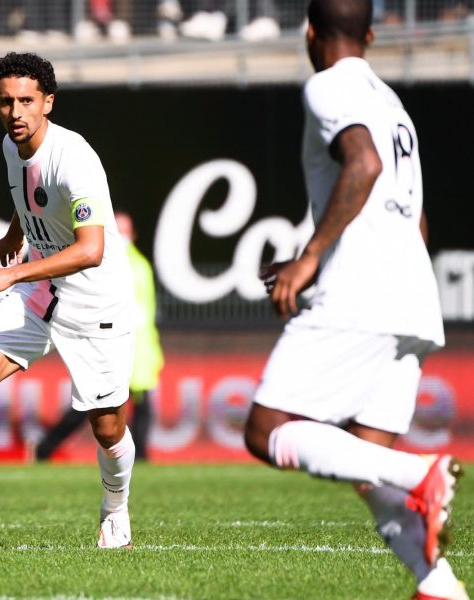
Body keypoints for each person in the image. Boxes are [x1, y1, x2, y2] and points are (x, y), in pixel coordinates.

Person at [242, 1, 466, 599]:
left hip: (364, 289)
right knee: (365, 464)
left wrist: (312, 257)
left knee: (266, 431)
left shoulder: (328, 86)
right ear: (370, 34)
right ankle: (438, 585)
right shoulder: (394, 105)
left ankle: (420, 472)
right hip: (413, 295)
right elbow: (415, 220)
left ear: (310, 32)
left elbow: (361, 164)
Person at [0, 52, 136, 548]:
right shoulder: (13, 146)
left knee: (107, 425)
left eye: (27, 101)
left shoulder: (74, 158)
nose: (16, 112)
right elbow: (30, 195)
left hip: (96, 302)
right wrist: (15, 234)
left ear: (48, 102)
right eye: (6, 102)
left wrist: (10, 275)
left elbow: (91, 250)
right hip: (40, 291)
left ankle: (116, 508)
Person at [35, 211, 163, 461]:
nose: (122, 236)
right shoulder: (112, 261)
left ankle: (141, 457)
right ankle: (47, 447)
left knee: (139, 406)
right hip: (111, 342)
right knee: (94, 405)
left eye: (126, 230)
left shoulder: (136, 265)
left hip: (140, 348)